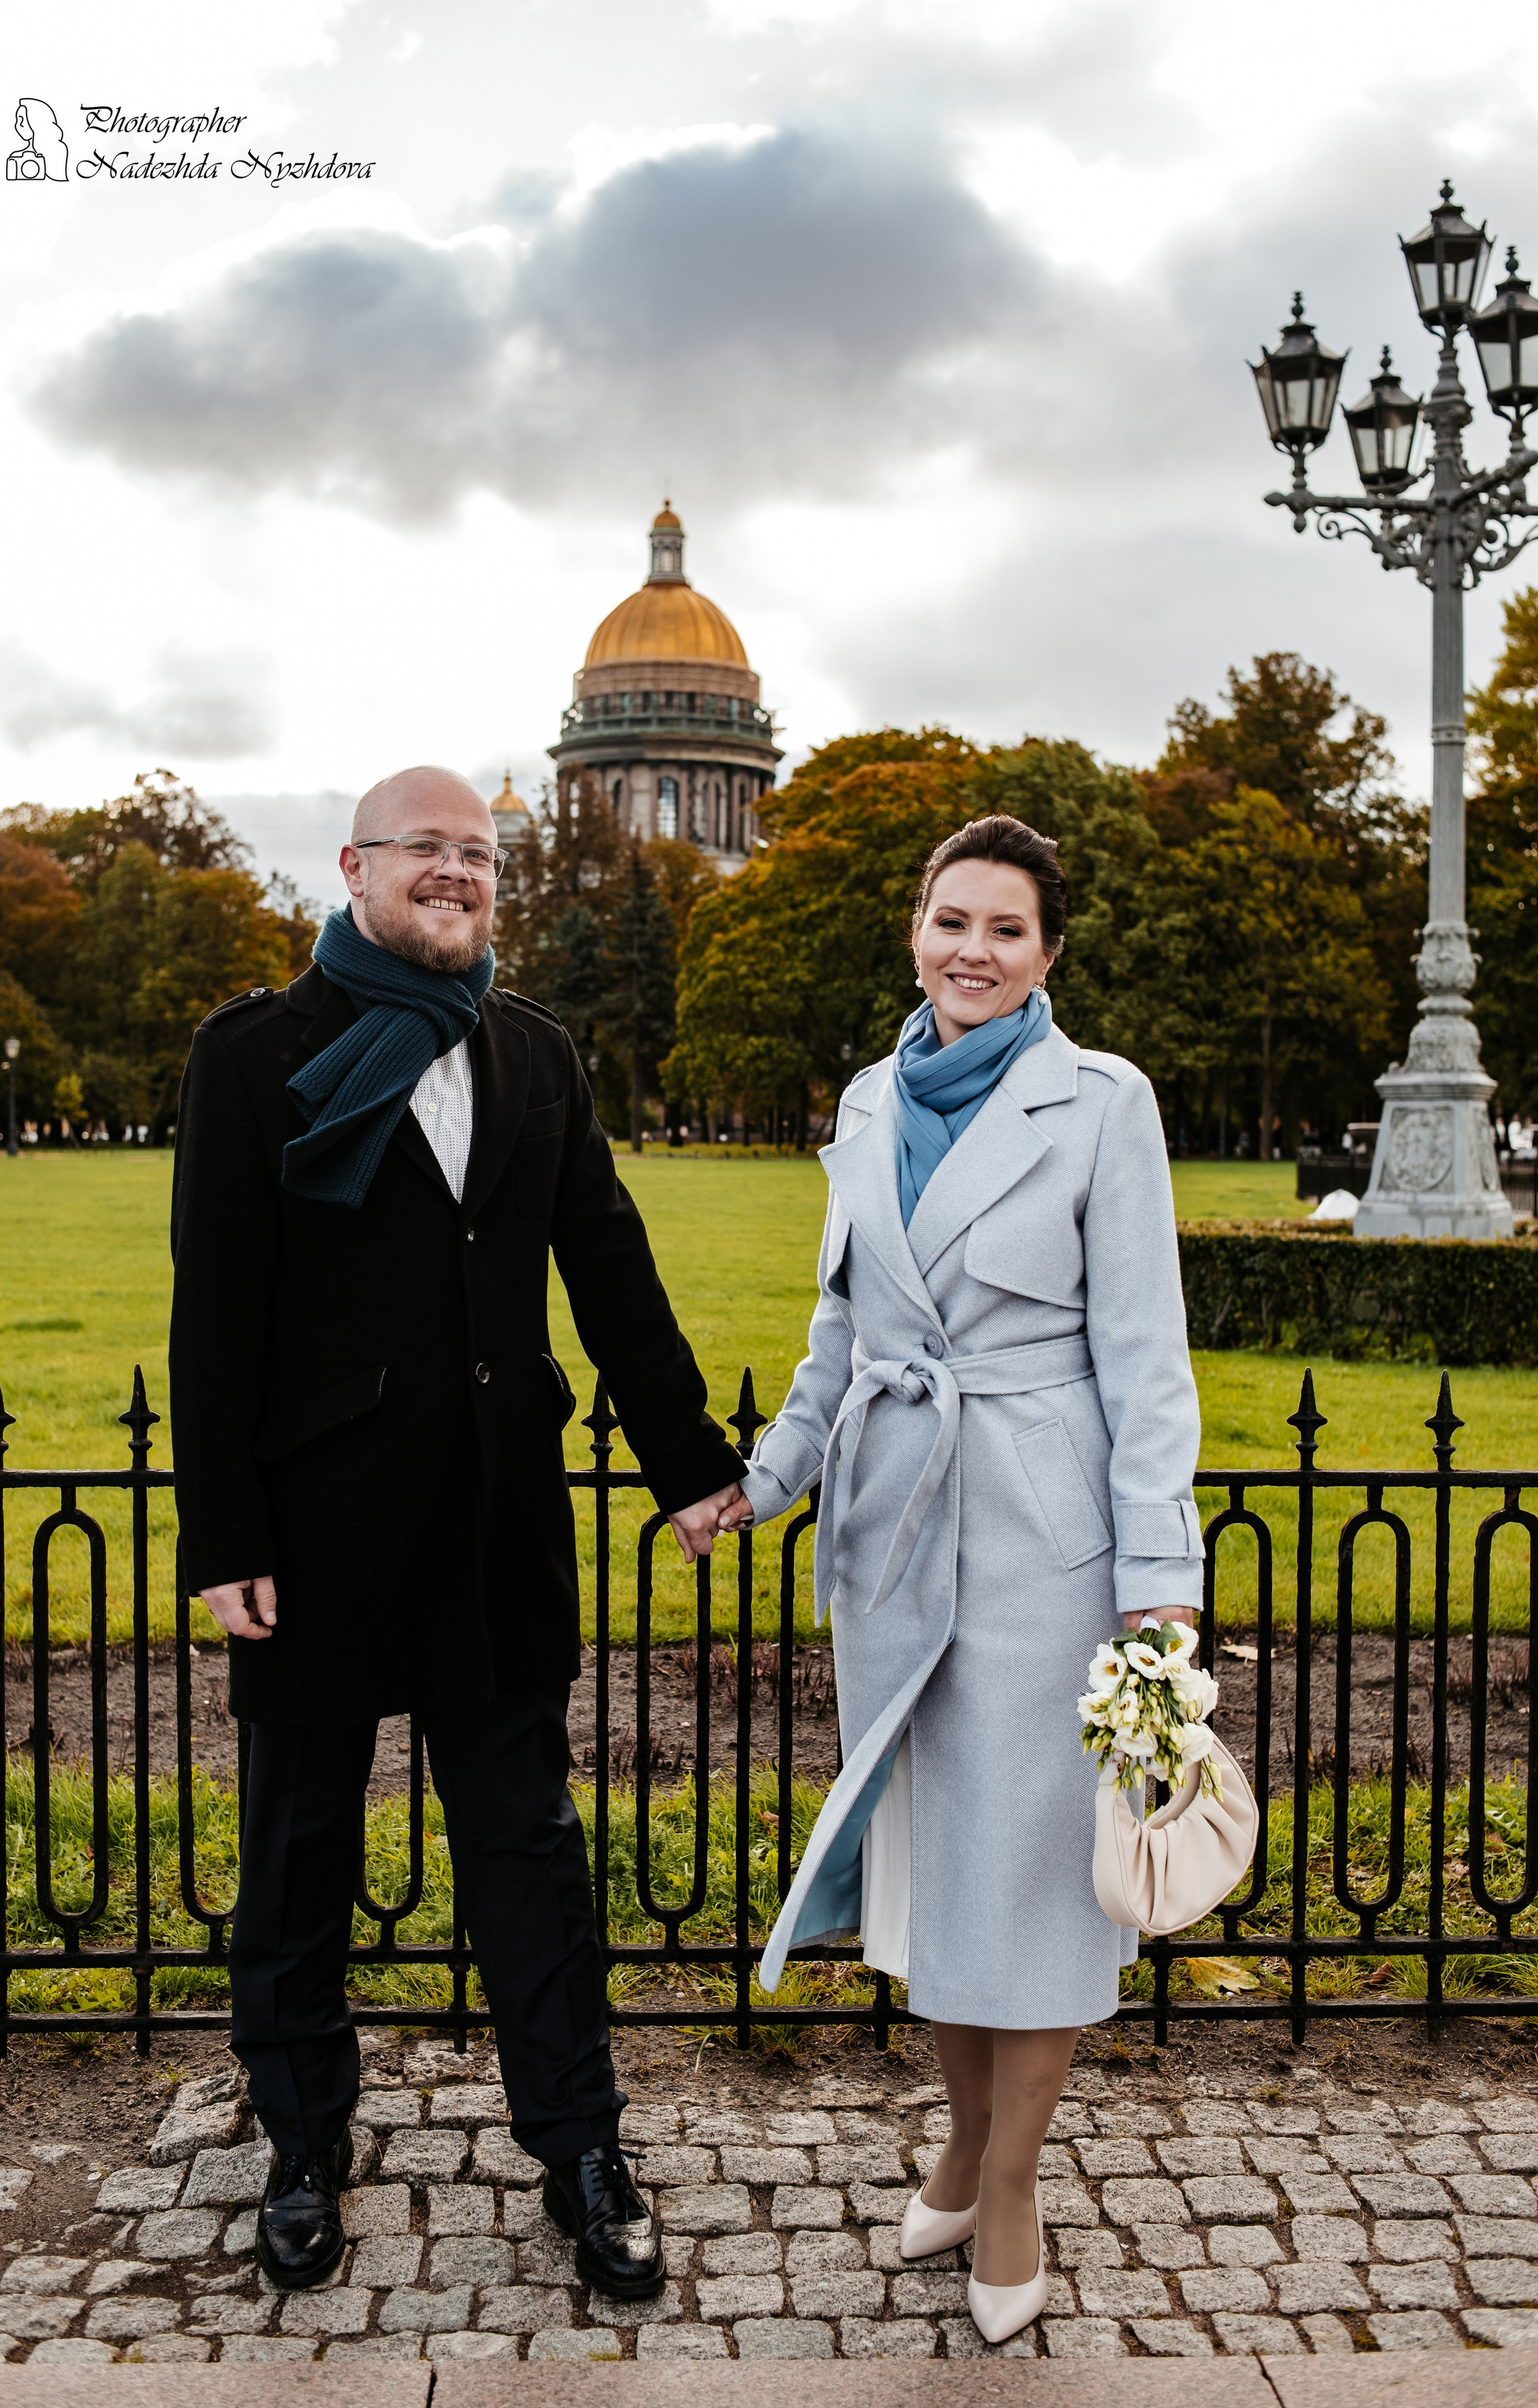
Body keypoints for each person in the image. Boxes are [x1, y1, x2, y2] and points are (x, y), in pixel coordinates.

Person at [168, 765, 746, 2294]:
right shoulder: (253, 1054)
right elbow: (215, 1311)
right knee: (297, 1848)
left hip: (495, 1519)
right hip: (315, 1526)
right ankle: (300, 2140)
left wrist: (691, 1460)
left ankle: (580, 2149)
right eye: (427, 848)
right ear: (356, 866)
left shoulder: (535, 1052)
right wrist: (221, 1531)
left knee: (527, 1855)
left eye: (479, 856)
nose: (458, 872)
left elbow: (607, 1269)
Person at [717, 814, 1202, 2346]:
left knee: (1035, 1877)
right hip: (891, 1526)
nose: (969, 951)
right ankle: (955, 2138)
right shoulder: (867, 1098)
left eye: (1003, 928)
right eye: (948, 920)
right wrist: (771, 1474)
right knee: (936, 1870)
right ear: (913, 929)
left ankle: (1009, 2187)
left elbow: (1142, 1353)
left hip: (1038, 1536)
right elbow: (841, 1330)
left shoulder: (1100, 1102)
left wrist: (1156, 1571)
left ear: (1047, 954)